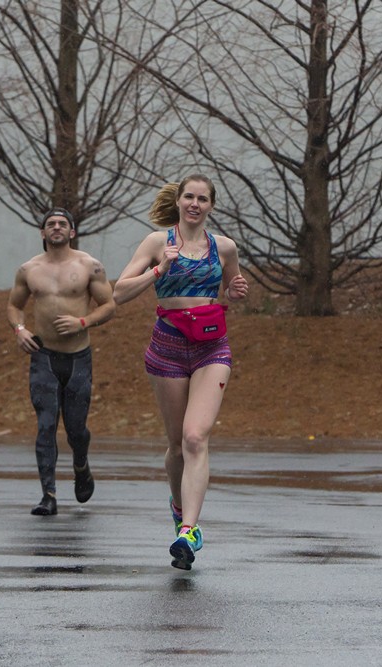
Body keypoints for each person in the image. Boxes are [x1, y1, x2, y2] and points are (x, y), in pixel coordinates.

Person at [112, 174, 248, 570]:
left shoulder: (224, 247)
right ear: (179, 200)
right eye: (189, 196)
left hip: (210, 346)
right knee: (175, 445)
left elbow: (230, 289)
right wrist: (159, 270)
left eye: (202, 199)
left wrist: (235, 292)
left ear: (211, 205)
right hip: (168, 347)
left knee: (195, 436)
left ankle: (189, 530)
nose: (195, 203)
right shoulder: (158, 242)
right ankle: (178, 506)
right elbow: (119, 292)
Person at [7, 208, 116, 516]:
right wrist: (19, 329)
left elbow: (109, 306)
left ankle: (81, 464)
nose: (56, 227)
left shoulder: (89, 266)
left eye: (62, 224)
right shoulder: (28, 269)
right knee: (45, 425)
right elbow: (14, 306)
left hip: (78, 358)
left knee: (76, 429)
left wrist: (83, 321)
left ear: (72, 232)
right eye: (50, 224)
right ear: (42, 233)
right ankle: (48, 495)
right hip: (44, 357)